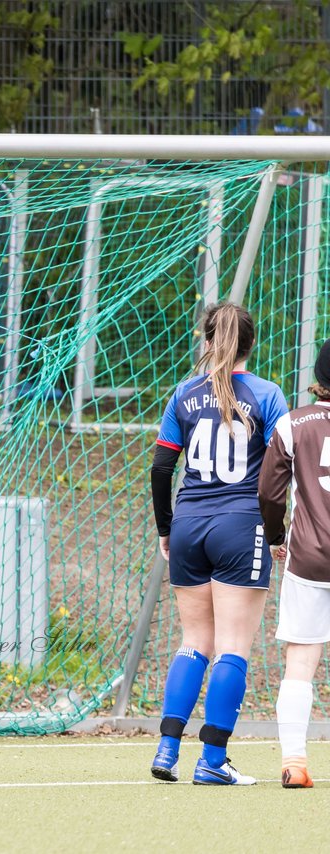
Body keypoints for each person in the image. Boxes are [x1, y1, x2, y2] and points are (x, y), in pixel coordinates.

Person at [148, 302, 288, 785]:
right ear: (252, 343)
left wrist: (167, 528)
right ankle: (211, 762)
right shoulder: (268, 394)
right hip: (239, 526)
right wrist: (276, 534)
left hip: (188, 524)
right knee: (232, 646)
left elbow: (162, 468)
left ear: (206, 341)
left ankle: (167, 751)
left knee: (194, 642)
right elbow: (276, 475)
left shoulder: (183, 395)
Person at [257, 339, 330, 788]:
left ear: (319, 380)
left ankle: (295, 763)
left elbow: (268, 493)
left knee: (300, 662)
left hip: (307, 558)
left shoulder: (292, 423)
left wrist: (277, 537)